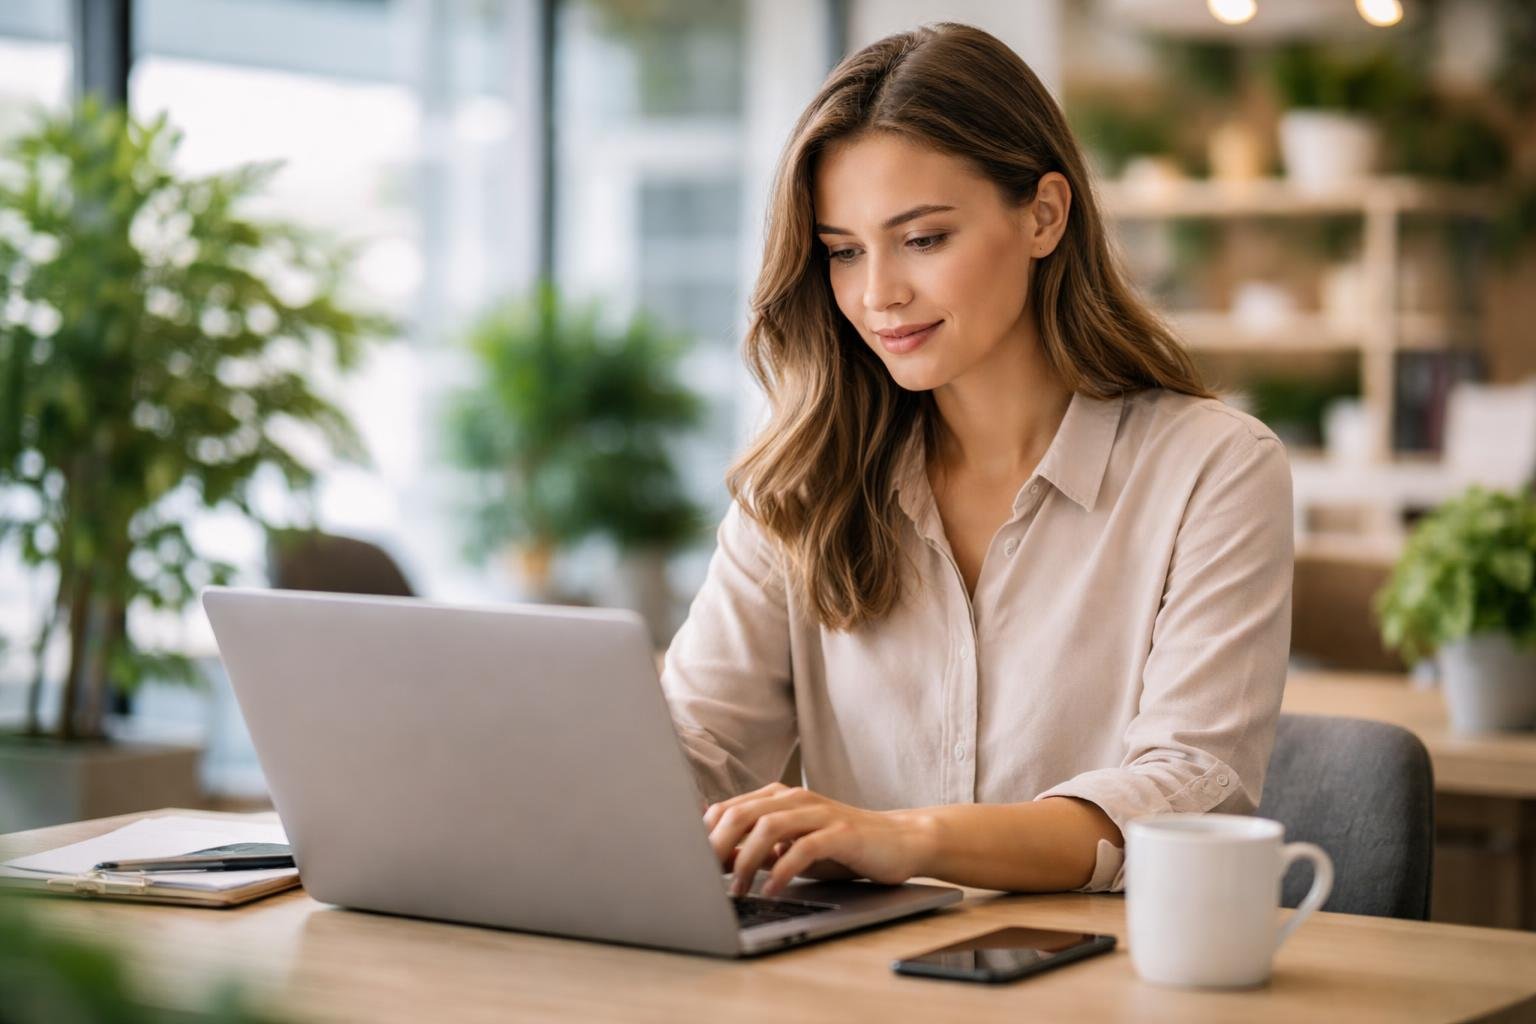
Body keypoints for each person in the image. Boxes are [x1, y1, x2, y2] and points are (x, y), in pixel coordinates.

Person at [659, 22, 1292, 900]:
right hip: (848, 985)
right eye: (843, 251)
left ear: (1043, 215)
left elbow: (1186, 791)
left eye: (922, 239)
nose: (877, 294)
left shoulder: (1212, 469)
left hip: (1094, 981)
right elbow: (696, 748)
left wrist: (903, 837)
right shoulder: (803, 483)